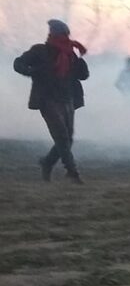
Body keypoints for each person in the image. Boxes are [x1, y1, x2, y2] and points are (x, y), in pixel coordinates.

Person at [13, 19, 90, 184]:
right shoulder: (39, 51)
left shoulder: (71, 54)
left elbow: (83, 76)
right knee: (62, 137)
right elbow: (18, 63)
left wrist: (80, 60)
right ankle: (72, 172)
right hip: (47, 99)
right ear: (55, 35)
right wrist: (32, 71)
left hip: (67, 98)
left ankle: (47, 163)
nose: (66, 38)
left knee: (68, 138)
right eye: (63, 35)